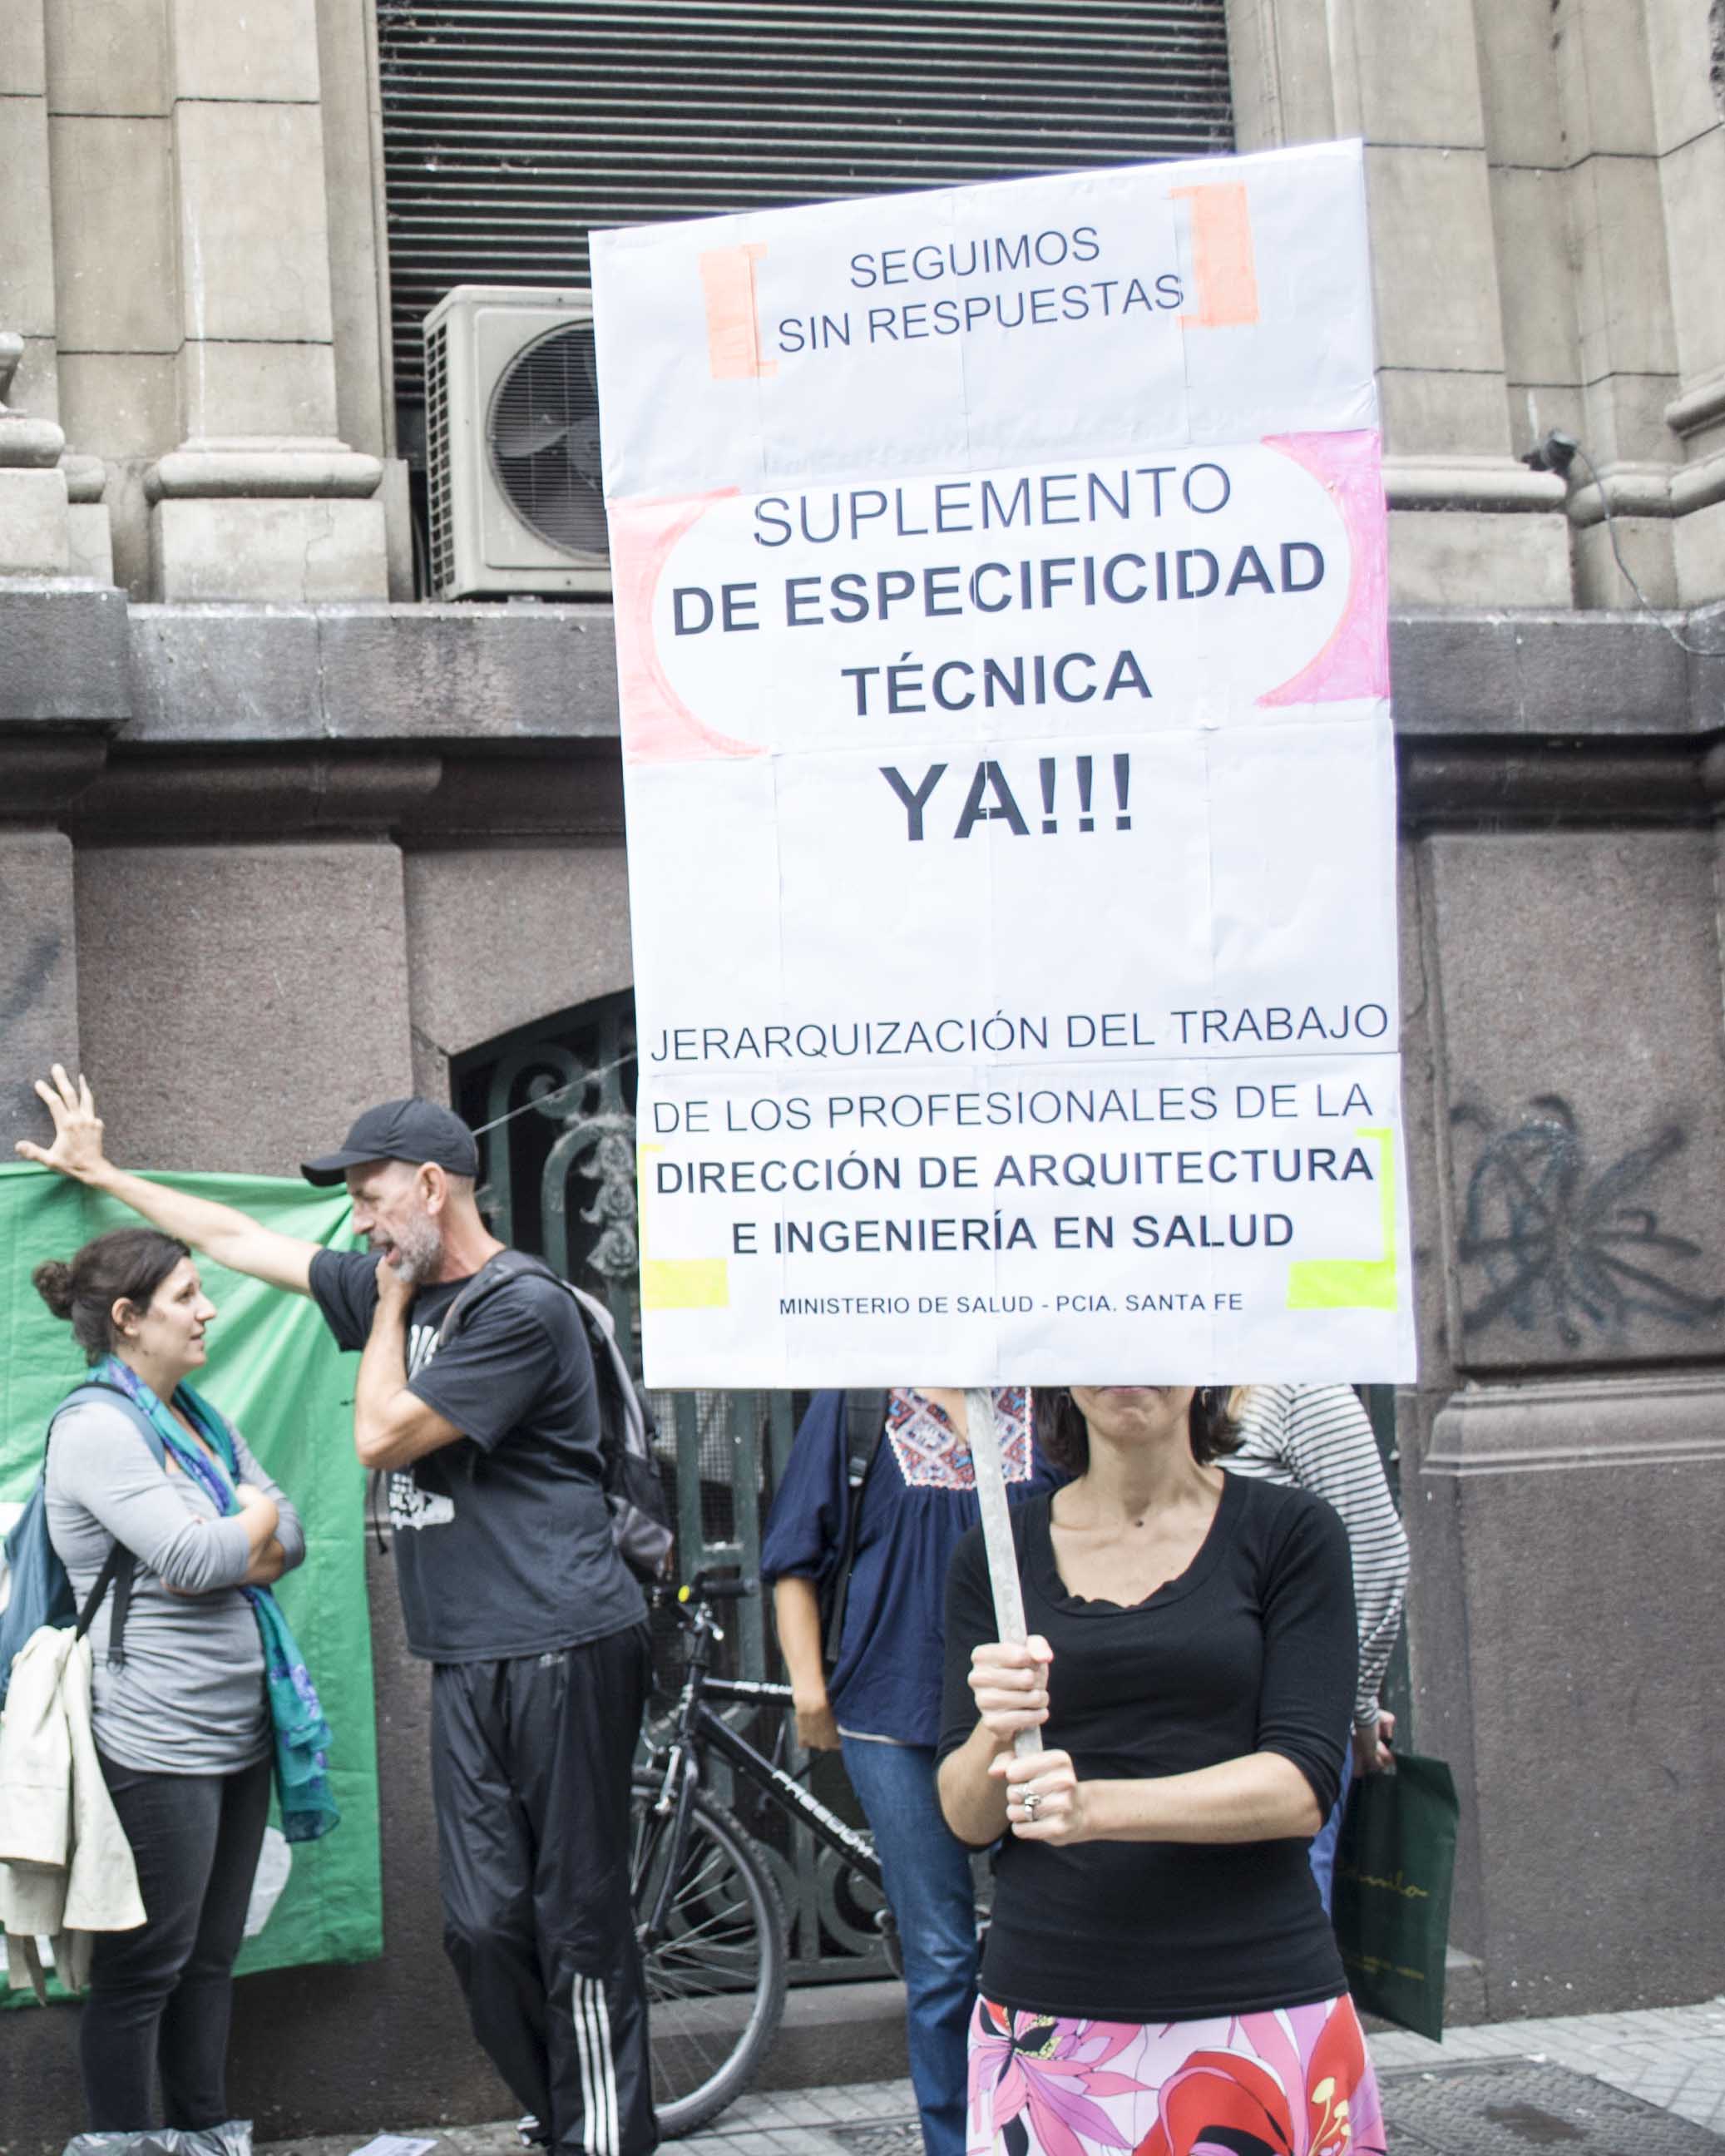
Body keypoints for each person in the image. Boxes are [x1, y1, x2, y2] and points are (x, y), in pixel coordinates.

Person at [18, 1068, 656, 2156]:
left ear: (429, 1188)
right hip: (466, 1651)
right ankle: (561, 2118)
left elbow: (379, 1437)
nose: (356, 1223)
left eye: (368, 1198)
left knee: (578, 1922)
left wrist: (391, 1304)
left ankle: (602, 2141)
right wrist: (104, 1172)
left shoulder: (520, 1306)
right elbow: (233, 1239)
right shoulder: (386, 1283)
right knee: (480, 1928)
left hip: (561, 1637)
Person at [937, 1384, 1386, 2156]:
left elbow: (1302, 1784)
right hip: (1050, 2026)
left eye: (1150, 1333)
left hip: (1259, 2002)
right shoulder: (995, 1554)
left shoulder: (1292, 1532)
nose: (1127, 1364)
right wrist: (996, 1727)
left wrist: (1095, 1809)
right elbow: (965, 1816)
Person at [34, 1224, 324, 2136]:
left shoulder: (195, 1419)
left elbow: (290, 1540)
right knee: (145, 1968)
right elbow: (199, 1558)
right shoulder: (96, 1429)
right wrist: (251, 1515)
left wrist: (238, 1535)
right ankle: (125, 2147)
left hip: (241, 1728)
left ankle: (203, 2140)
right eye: (187, 1296)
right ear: (128, 1318)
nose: (209, 1310)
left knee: (209, 1962)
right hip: (155, 1738)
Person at [762, 1387, 1061, 2156]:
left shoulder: (1048, 1396)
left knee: (1047, 1944)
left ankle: (1050, 2133)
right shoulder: (859, 1401)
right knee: (942, 1958)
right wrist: (809, 1688)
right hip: (893, 1712)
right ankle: (954, 2143)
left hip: (1031, 1714)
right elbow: (795, 1553)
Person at [1225, 1384, 1410, 1911]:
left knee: (1286, 1912)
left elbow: (1378, 1557)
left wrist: (1349, 1704)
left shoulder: (1298, 1385)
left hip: (1282, 1727)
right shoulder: (1143, 1385)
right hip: (1176, 1723)